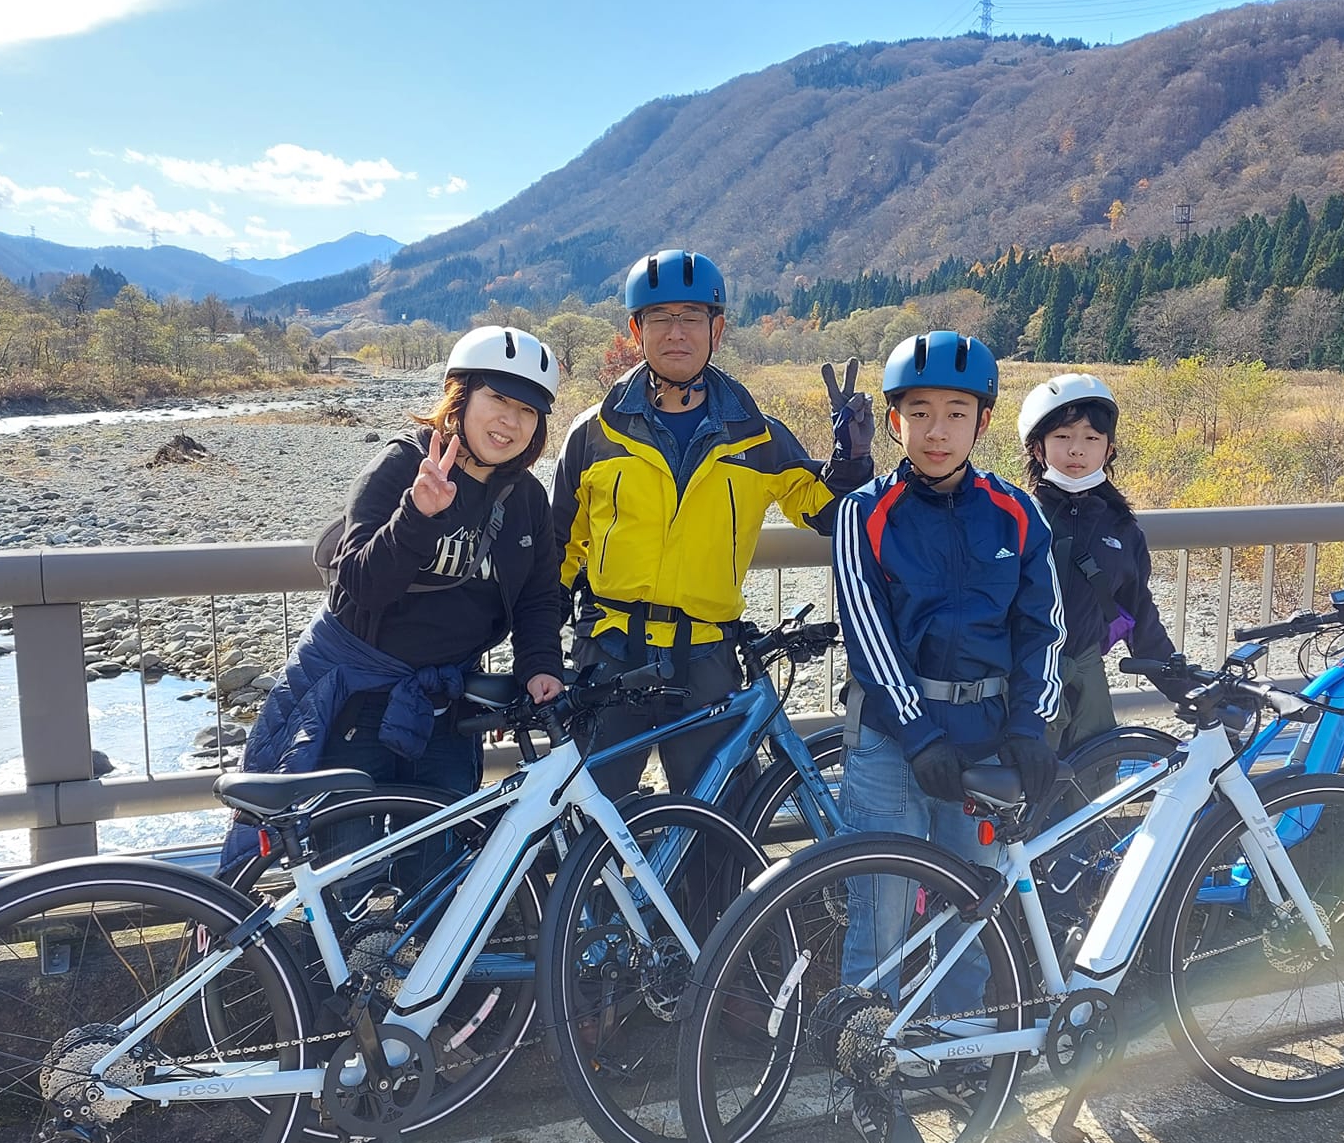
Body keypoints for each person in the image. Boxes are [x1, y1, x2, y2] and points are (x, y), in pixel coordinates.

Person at [219, 326, 566, 869]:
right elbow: (359, 584)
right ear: (462, 395)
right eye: (497, 398)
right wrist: (417, 516)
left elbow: (539, 597)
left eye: (527, 410)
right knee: (342, 864)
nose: (510, 420)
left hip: (447, 705)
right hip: (357, 695)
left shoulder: (525, 499)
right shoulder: (403, 467)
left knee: (439, 864)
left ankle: (419, 955)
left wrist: (539, 665)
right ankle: (342, 957)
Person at [550, 248, 875, 799]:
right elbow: (560, 548)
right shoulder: (593, 433)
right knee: (590, 826)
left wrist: (850, 463)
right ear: (636, 329)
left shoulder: (757, 435)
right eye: (660, 317)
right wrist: (539, 652)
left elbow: (826, 513)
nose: (676, 332)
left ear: (716, 329)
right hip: (608, 654)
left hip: (706, 660)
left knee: (715, 836)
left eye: (692, 317)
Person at [832, 330, 1066, 1022]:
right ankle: (866, 1061)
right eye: (921, 413)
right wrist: (917, 730)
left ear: (983, 421)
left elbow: (1042, 629)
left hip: (987, 742)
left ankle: (960, 1052)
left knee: (973, 912)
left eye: (957, 412)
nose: (938, 431)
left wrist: (1030, 725)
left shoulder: (1017, 513)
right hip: (889, 744)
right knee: (880, 920)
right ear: (895, 420)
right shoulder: (864, 513)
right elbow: (869, 637)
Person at [1017, 372, 1178, 748]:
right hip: (1022, 682)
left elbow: (1140, 617)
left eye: (1091, 438)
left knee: (1092, 794)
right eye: (1062, 436)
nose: (1077, 449)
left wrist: (1184, 687)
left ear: (1108, 451)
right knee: (1022, 793)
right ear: (1037, 448)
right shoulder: (1015, 517)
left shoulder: (1122, 528)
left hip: (1087, 681)